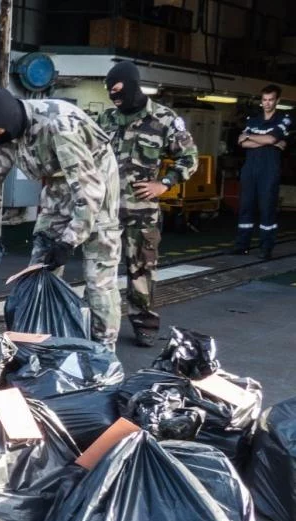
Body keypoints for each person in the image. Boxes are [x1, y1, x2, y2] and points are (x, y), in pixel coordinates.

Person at [0, 87, 122, 351]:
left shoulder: (59, 125)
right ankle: (39, 340)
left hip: (96, 185)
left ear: (9, 124)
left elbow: (89, 192)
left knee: (98, 277)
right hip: (57, 185)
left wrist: (69, 241)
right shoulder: (1, 133)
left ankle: (104, 350)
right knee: (39, 267)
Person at [97, 61, 198, 347]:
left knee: (141, 270)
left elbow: (188, 158)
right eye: (109, 92)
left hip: (143, 212)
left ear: (131, 85)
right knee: (101, 271)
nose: (114, 97)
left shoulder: (164, 119)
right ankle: (102, 326)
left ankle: (145, 325)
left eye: (117, 90)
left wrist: (163, 185)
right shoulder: (106, 120)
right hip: (107, 211)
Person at [233, 84, 290, 259]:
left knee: (267, 209)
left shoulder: (283, 119)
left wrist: (253, 137)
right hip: (250, 170)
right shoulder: (253, 120)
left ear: (277, 101)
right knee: (245, 207)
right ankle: (242, 245)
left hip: (269, 171)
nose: (267, 103)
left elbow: (271, 137)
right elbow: (242, 143)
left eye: (271, 100)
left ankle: (266, 248)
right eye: (264, 100)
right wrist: (269, 142)